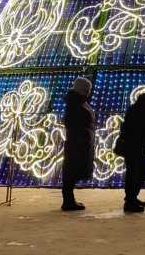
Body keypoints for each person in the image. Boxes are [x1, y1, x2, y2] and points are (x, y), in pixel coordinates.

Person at [61, 77, 95, 211]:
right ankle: (68, 201)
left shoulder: (78, 102)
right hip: (77, 143)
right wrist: (83, 133)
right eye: (87, 89)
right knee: (71, 171)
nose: (89, 92)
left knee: (73, 171)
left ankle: (69, 199)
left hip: (81, 142)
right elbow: (70, 123)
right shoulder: (74, 104)